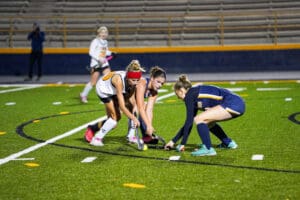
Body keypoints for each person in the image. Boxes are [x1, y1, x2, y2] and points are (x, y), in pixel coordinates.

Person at [165, 74, 245, 156]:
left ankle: (208, 148)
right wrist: (173, 141)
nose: (177, 97)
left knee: (199, 119)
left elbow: (189, 122)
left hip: (233, 103)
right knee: (208, 122)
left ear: (181, 90)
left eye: (176, 93)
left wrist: (182, 143)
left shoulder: (189, 95)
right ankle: (228, 143)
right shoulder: (194, 95)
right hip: (237, 103)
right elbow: (188, 124)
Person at [86, 60, 144, 146]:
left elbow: (132, 99)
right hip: (104, 90)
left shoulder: (133, 83)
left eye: (137, 80)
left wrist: (134, 110)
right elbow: (122, 106)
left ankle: (131, 136)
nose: (135, 83)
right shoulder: (119, 81)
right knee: (115, 118)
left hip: (113, 90)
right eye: (133, 80)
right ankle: (96, 138)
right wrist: (134, 118)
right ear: (128, 78)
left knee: (131, 111)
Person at [126, 66, 167, 144]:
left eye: (162, 83)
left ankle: (146, 135)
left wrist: (150, 127)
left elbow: (149, 110)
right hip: (122, 97)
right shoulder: (142, 83)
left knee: (142, 107)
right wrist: (148, 125)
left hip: (131, 101)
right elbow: (140, 107)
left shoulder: (154, 93)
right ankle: (131, 136)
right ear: (152, 78)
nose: (160, 85)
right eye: (158, 82)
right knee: (138, 107)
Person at [80, 26, 116, 103]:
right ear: (99, 33)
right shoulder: (95, 41)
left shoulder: (105, 42)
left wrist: (111, 53)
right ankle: (83, 94)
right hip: (95, 64)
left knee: (108, 78)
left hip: (104, 64)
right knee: (93, 83)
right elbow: (91, 52)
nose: (104, 34)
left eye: (105, 32)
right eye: (102, 32)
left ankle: (106, 96)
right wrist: (99, 58)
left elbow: (105, 51)